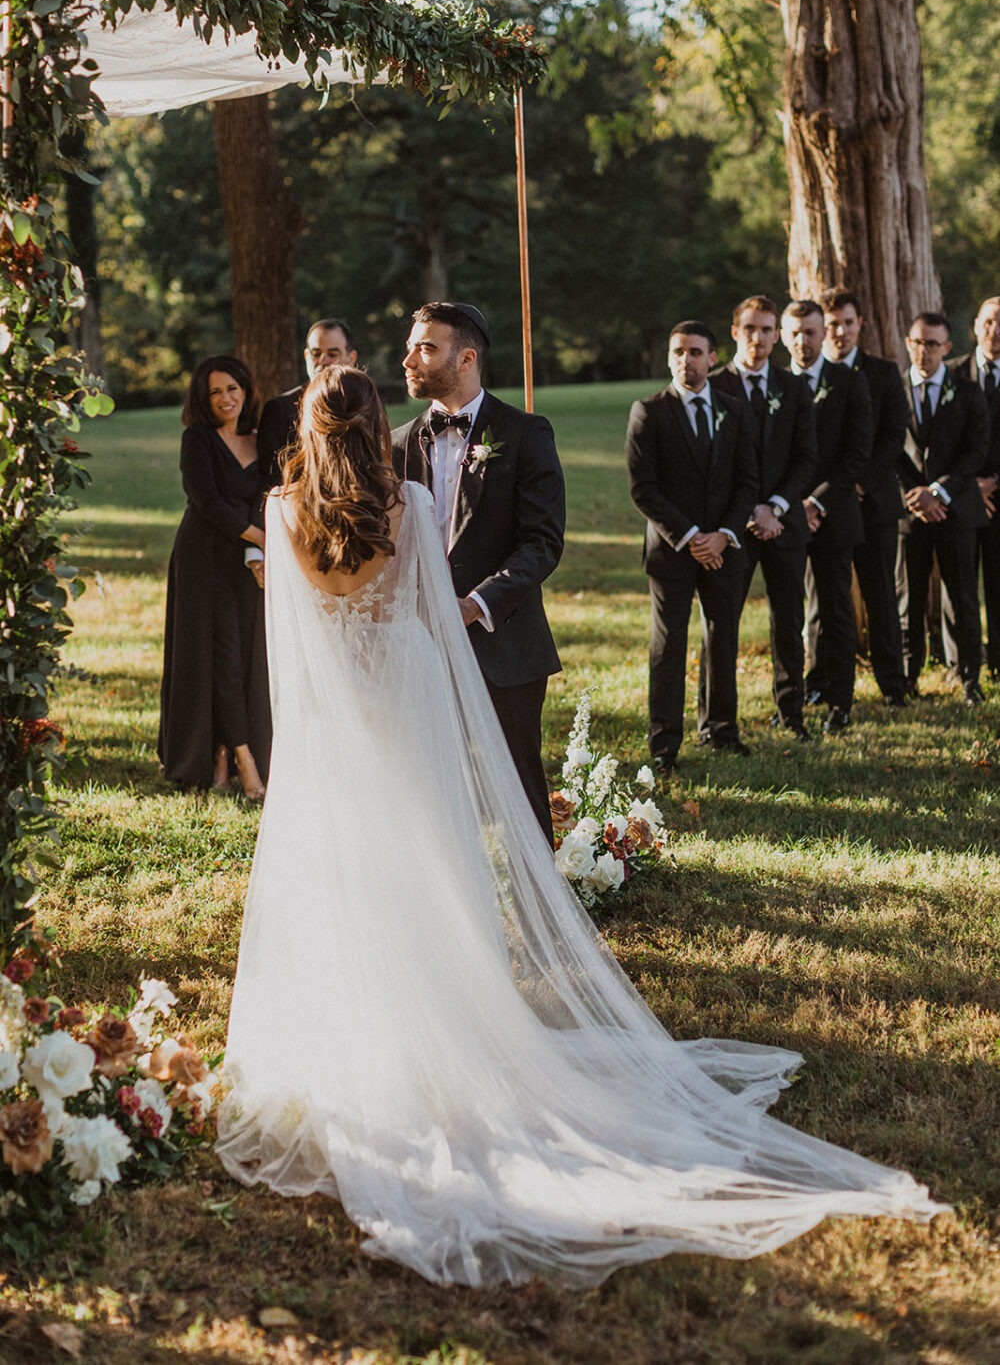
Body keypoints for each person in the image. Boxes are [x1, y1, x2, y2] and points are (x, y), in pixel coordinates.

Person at [216, 364, 945, 1289]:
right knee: (431, 867)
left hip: (333, 725)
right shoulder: (403, 500)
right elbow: (436, 623)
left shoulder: (281, 514)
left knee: (349, 873)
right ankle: (454, 1023)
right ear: (375, 426)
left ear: (306, 431)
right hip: (407, 700)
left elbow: (292, 646)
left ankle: (353, 1044)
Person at [391, 302, 564, 844]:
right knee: (427, 782)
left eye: (426, 348)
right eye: (411, 346)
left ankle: (540, 904)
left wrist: (475, 605)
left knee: (517, 784)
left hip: (502, 640)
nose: (408, 360)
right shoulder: (398, 443)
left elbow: (542, 543)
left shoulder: (525, 433)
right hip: (416, 640)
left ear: (466, 358)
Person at [626, 321, 756, 772]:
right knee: (670, 644)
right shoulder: (649, 411)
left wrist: (722, 534)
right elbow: (643, 489)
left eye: (696, 352)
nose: (687, 360)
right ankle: (664, 744)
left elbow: (747, 481)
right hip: (671, 550)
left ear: (712, 358)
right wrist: (690, 538)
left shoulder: (734, 411)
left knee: (723, 637)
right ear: (669, 357)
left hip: (725, 546)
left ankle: (721, 728)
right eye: (678, 351)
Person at [158, 355, 271, 798]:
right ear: (203, 400)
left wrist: (257, 547)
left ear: (246, 389)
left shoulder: (261, 440)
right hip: (202, 559)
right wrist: (260, 536)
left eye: (232, 388)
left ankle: (223, 750)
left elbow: (265, 497)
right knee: (216, 653)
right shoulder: (198, 439)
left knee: (242, 655)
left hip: (245, 561)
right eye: (215, 392)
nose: (226, 399)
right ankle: (244, 761)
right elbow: (206, 501)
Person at [711, 296, 817, 740]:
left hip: (782, 522)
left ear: (777, 335)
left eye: (767, 329)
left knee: (789, 619)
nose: (758, 338)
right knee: (722, 624)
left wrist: (773, 506)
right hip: (731, 528)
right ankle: (719, 722)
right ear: (735, 332)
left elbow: (807, 459)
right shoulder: (714, 386)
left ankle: (792, 713)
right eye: (750, 328)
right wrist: (747, 511)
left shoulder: (793, 388)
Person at [783, 300, 873, 733]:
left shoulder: (849, 383)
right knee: (789, 612)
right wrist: (789, 504)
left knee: (836, 610)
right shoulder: (775, 385)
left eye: (812, 332)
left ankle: (841, 702)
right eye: (796, 333)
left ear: (824, 335)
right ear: (786, 335)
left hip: (833, 515)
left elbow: (857, 455)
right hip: (782, 516)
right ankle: (794, 702)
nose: (804, 341)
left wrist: (814, 503)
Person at [818, 289, 909, 710]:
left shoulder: (884, 373)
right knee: (826, 597)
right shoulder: (807, 376)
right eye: (832, 324)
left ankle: (893, 682)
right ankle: (821, 678)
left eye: (848, 323)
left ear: (860, 325)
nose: (840, 331)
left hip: (873, 502)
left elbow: (893, 436)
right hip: (824, 506)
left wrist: (859, 482)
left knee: (880, 593)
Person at [897, 312, 989, 702]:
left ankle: (969, 679)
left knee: (963, 596)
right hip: (910, 512)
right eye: (917, 342)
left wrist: (939, 491)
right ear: (908, 343)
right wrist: (914, 494)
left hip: (956, 509)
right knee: (909, 598)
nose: (924, 351)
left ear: (947, 348)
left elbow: (976, 450)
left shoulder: (967, 392)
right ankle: (906, 678)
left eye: (932, 344)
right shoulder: (894, 390)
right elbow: (887, 450)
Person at [945, 297, 1000, 679]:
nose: (995, 331)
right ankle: (959, 663)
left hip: (999, 497)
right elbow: (943, 440)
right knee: (958, 584)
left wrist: (994, 483)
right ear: (976, 325)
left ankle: (997, 661)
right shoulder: (952, 374)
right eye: (990, 322)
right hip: (960, 498)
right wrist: (968, 486)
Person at [257, 318, 358, 489]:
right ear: (306, 356)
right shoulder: (279, 409)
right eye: (316, 354)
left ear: (351, 358)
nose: (323, 360)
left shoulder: (364, 403)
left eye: (332, 354)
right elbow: (273, 475)